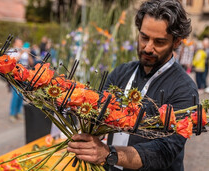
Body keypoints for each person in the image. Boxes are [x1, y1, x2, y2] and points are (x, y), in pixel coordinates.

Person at [67, 0, 199, 171]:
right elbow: (97, 116)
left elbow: (165, 151)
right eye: (144, 37)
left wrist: (109, 154)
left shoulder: (184, 88)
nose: (148, 48)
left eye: (159, 42)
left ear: (176, 42)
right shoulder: (121, 73)